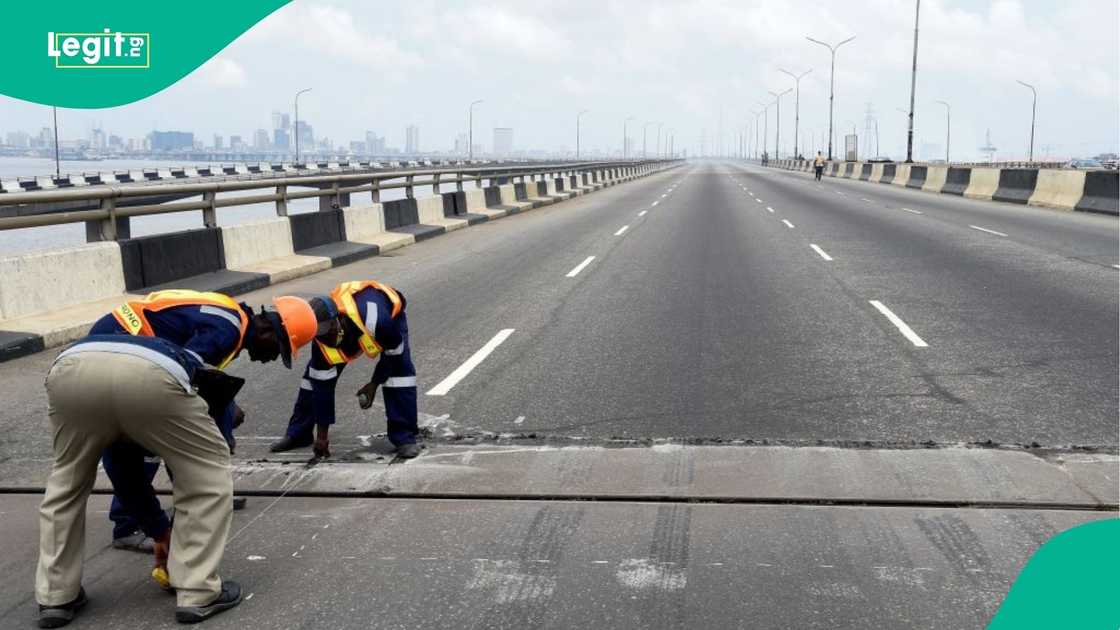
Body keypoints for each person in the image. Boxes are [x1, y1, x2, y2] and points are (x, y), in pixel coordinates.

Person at [36, 290, 318, 628]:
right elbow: (181, 378)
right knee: (208, 470)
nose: (271, 359)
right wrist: (224, 411)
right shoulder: (228, 328)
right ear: (268, 331)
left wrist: (158, 529)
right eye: (279, 351)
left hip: (75, 365)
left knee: (66, 482)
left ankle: (56, 597)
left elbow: (121, 460)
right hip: (142, 367)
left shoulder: (219, 308)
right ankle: (199, 591)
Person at [269, 281, 420, 459]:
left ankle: (404, 437)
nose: (328, 340)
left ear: (338, 320)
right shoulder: (321, 336)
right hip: (351, 326)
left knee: (399, 374)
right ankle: (299, 433)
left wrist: (373, 383)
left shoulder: (377, 320)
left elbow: (393, 353)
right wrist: (322, 438)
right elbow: (322, 389)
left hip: (386, 314)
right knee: (313, 379)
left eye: (330, 333)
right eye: (322, 336)